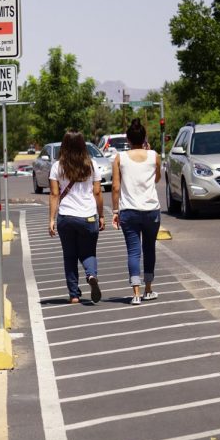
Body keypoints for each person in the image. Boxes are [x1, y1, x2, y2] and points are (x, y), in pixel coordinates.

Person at [48, 130, 105, 304]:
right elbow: (97, 192)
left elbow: (54, 194)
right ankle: (91, 276)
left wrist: (51, 219)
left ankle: (74, 294)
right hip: (88, 215)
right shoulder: (92, 165)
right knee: (88, 252)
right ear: (83, 145)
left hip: (66, 216)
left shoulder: (57, 166)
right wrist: (101, 215)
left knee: (70, 255)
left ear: (64, 146)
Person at [111, 118, 162, 305]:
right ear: (144, 138)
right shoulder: (154, 156)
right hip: (151, 210)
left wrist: (115, 211)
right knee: (149, 249)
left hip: (129, 210)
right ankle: (148, 289)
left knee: (133, 251)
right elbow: (157, 179)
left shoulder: (119, 158)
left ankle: (136, 293)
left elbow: (116, 187)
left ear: (128, 139)